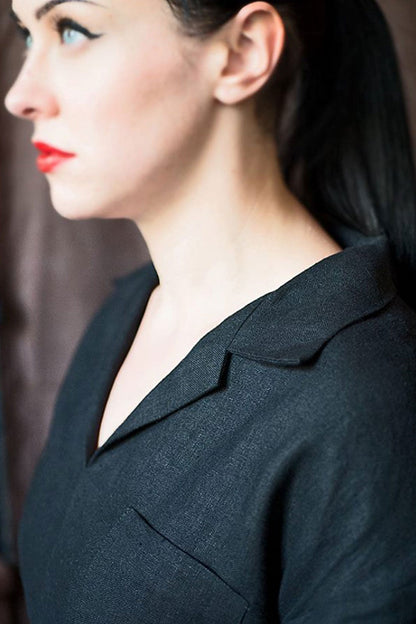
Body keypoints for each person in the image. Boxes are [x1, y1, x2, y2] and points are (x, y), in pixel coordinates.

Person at [4, 0, 416, 621]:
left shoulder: (363, 404)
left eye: (72, 30)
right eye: (26, 35)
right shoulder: (124, 315)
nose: (20, 95)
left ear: (243, 52)